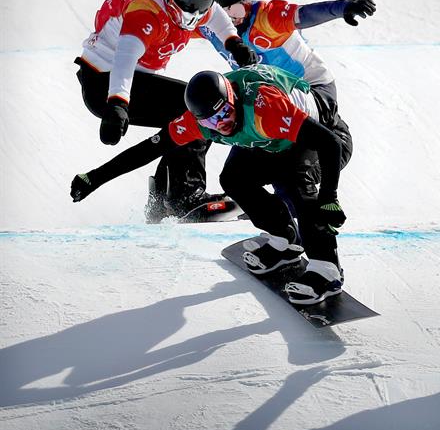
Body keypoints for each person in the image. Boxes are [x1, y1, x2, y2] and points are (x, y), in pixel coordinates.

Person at [71, 64, 348, 305]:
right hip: (269, 139)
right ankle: (284, 238)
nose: (222, 124)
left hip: (322, 134)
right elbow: (147, 150)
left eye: (224, 113)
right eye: (211, 121)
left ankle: (327, 268)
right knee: (233, 179)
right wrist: (95, 177)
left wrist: (329, 197)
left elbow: (329, 143)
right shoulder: (197, 121)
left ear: (232, 98)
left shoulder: (265, 104)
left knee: (296, 181)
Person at [74, 0, 258, 222]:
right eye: (189, 3)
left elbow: (217, 16)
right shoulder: (146, 11)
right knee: (196, 110)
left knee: (182, 120)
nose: (194, 11)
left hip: (123, 80)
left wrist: (234, 43)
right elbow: (124, 59)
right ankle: (185, 196)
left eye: (201, 4)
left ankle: (163, 199)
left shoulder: (195, 5)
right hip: (106, 82)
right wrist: (117, 104)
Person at [200, 0, 375, 212]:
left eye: (236, 9)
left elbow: (305, 14)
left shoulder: (266, 17)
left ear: (247, 2)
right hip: (271, 97)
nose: (232, 17)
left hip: (313, 89)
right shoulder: (214, 27)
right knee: (204, 109)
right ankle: (186, 190)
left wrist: (342, 7)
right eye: (223, 11)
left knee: (288, 159)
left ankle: (303, 209)